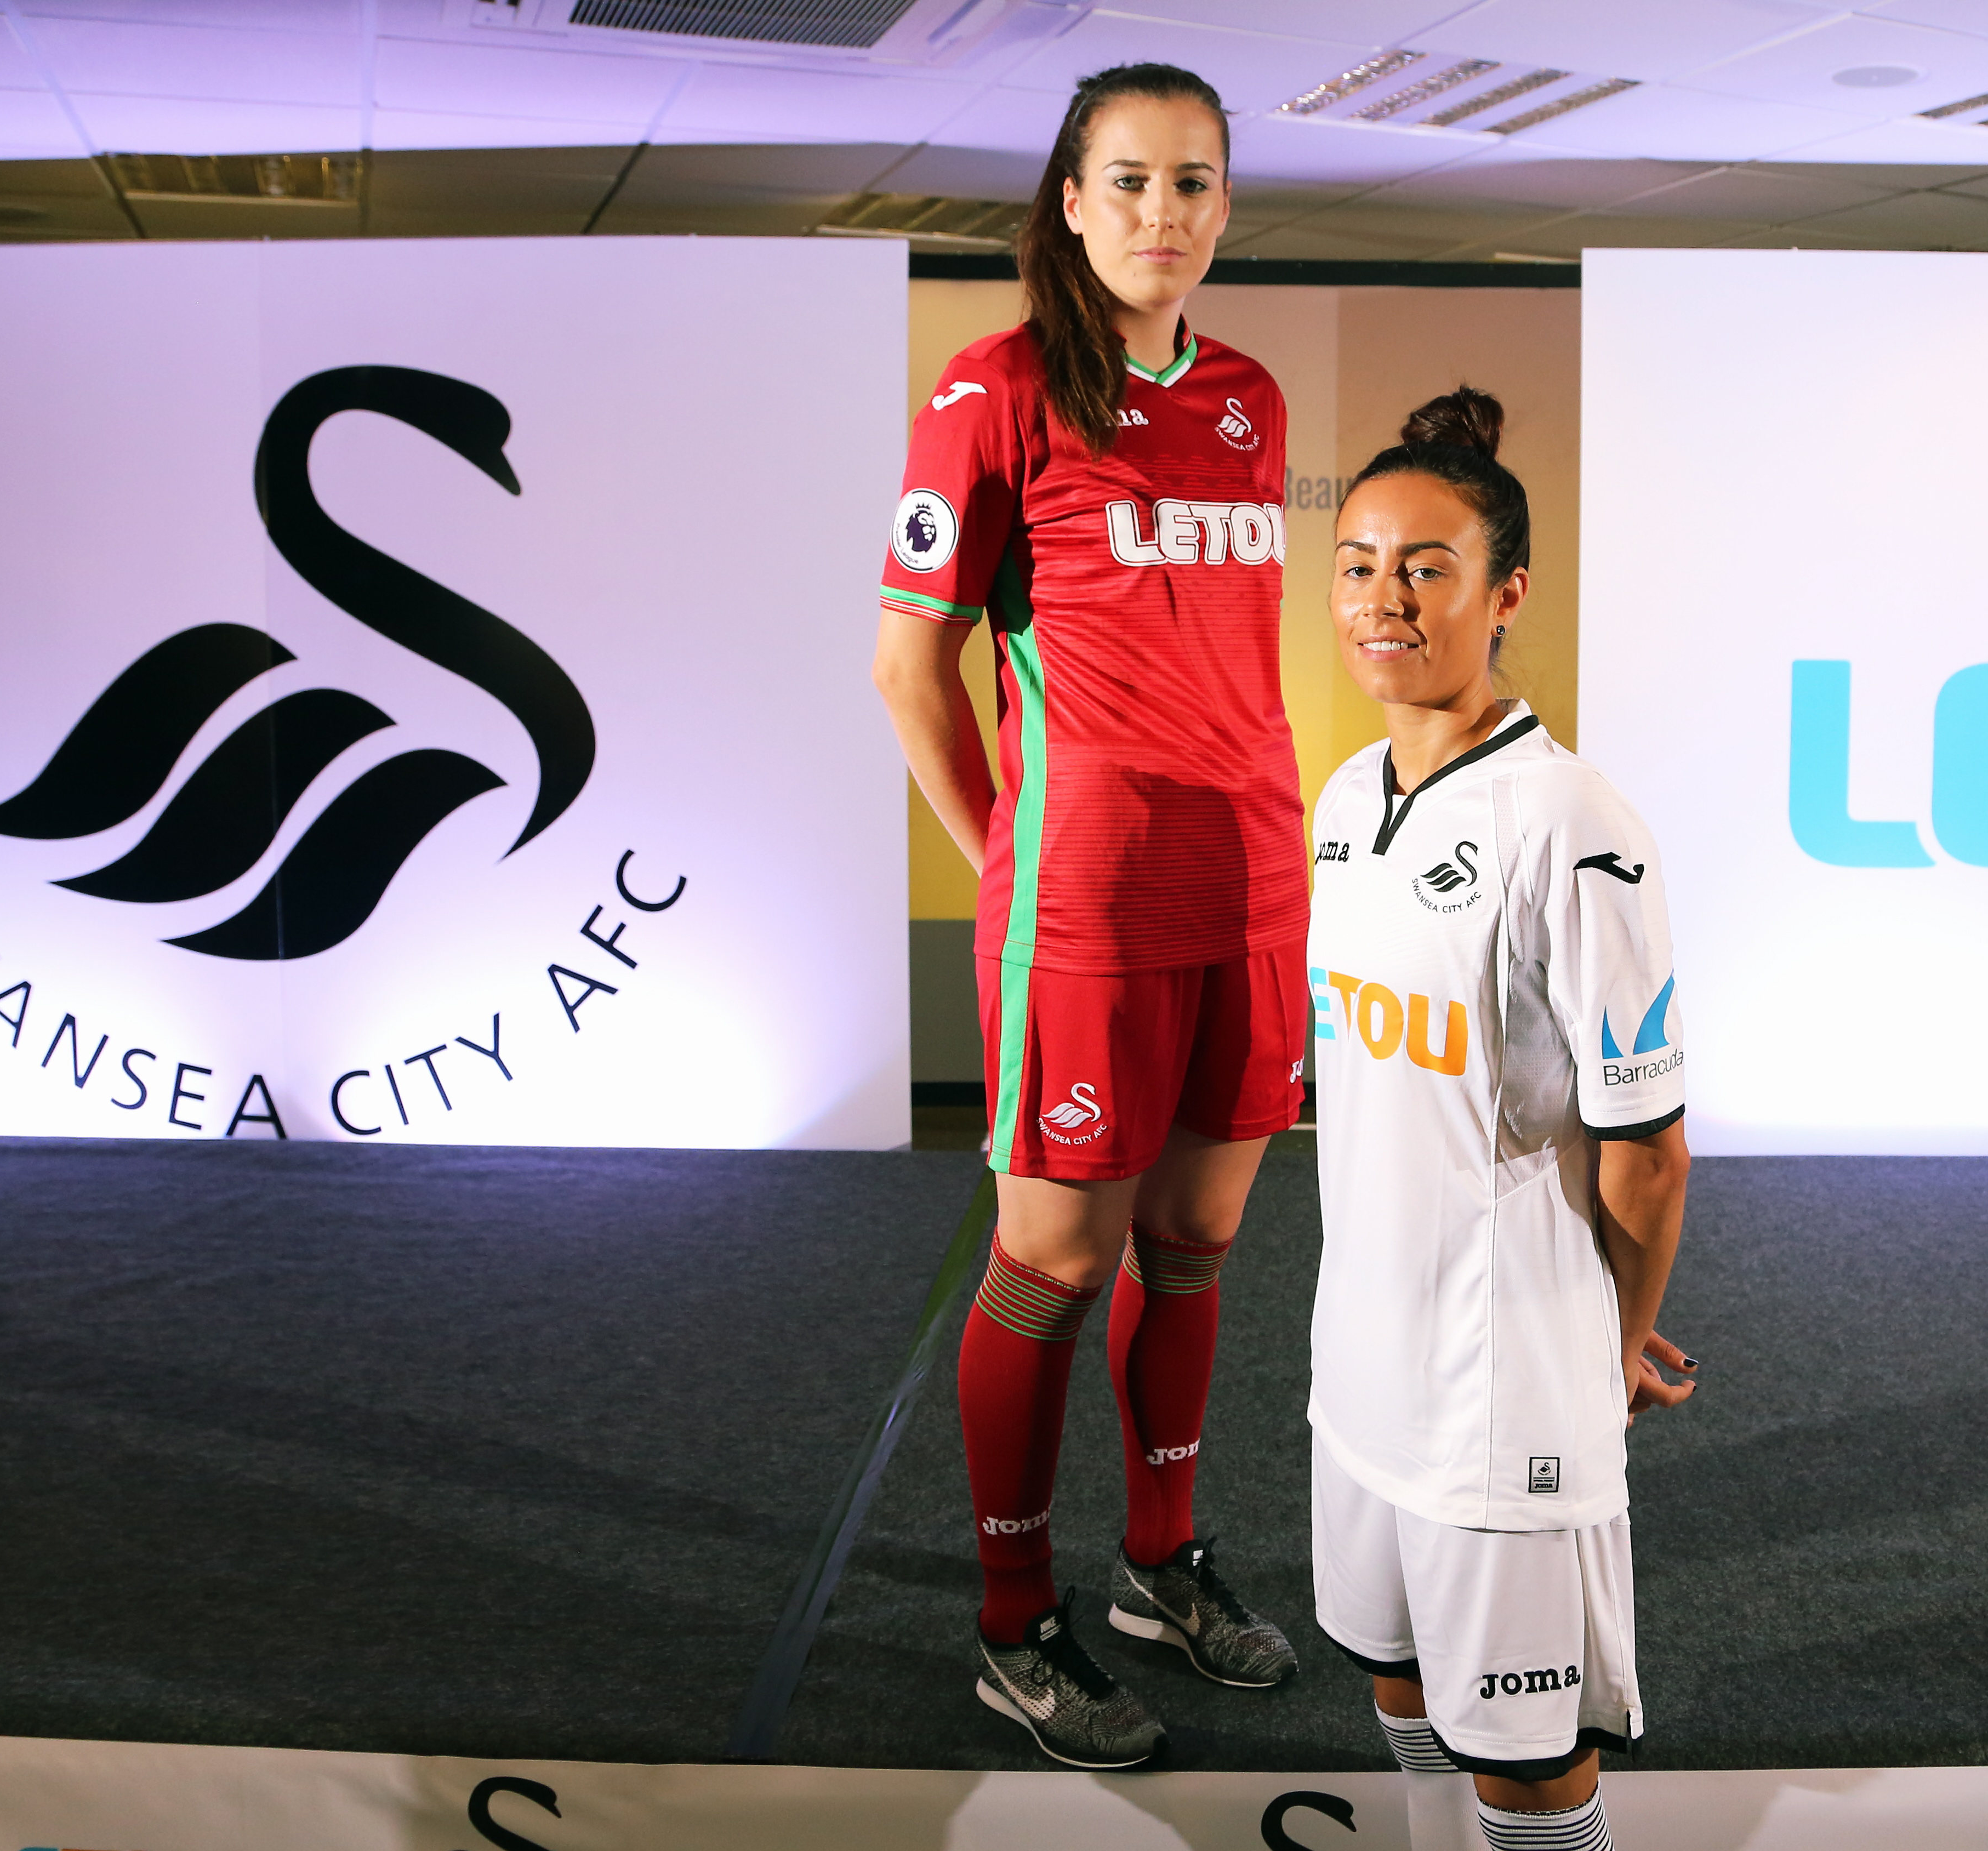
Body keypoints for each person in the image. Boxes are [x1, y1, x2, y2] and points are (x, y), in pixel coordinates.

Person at [869, 62, 1307, 1770]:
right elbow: (909, 666)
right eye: (1128, 180)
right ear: (1067, 197)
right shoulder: (992, 391)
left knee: (1196, 1243)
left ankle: (1158, 1561)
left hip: (1253, 887)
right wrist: (1006, 859)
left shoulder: (1253, 395)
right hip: (1090, 902)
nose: (1163, 214)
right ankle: (1011, 1619)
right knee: (1054, 1257)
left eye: (1194, 182)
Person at [1304, 388, 1695, 1850]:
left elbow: (1647, 1152)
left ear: (1507, 591)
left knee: (1526, 1762)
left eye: (1427, 566)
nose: (1383, 599)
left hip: (1504, 1402)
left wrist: (1599, 1348)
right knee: (1404, 1690)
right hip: (1362, 1372)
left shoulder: (1574, 825)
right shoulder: (1346, 799)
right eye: (1356, 562)